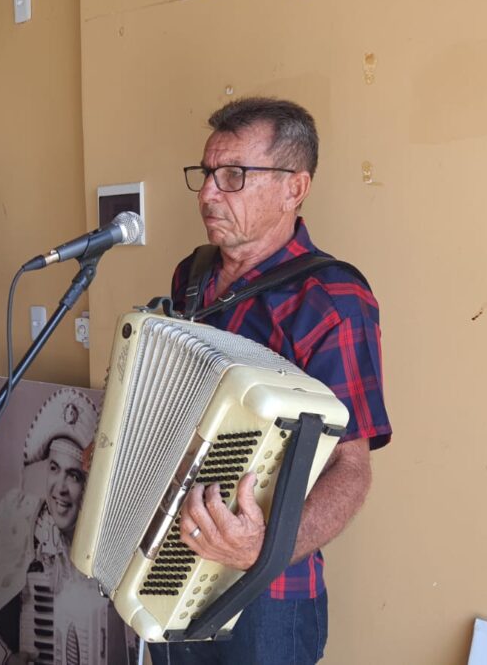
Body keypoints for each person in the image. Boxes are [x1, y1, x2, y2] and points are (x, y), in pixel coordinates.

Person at [153, 98, 392, 665]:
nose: (208, 193)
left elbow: (351, 468)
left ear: (294, 187)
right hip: (170, 561)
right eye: (207, 174)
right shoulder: (193, 276)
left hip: (268, 596)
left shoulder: (333, 302)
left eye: (233, 176)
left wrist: (263, 550)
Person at [0, 388, 118, 665]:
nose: (60, 489)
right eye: (54, 468)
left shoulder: (109, 541)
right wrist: (6, 658)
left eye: (73, 475)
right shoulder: (24, 528)